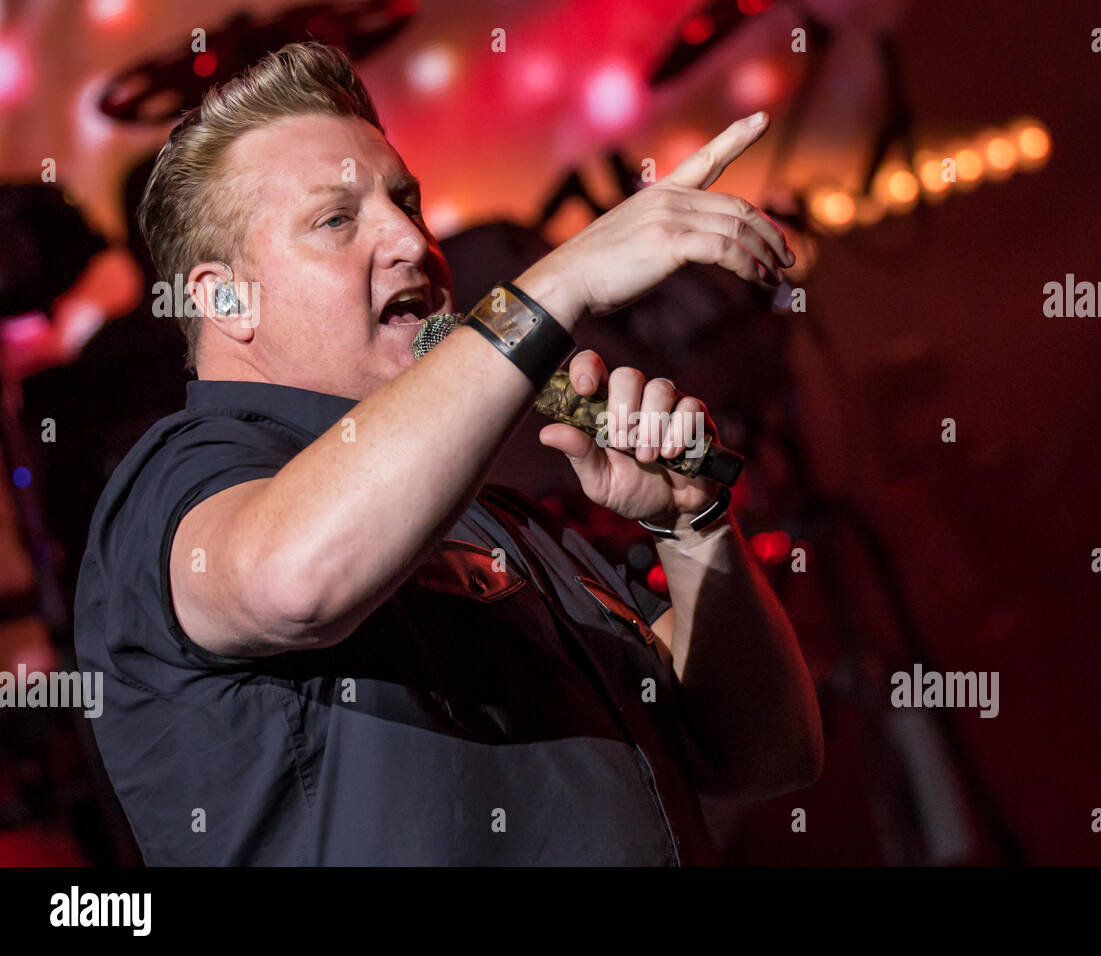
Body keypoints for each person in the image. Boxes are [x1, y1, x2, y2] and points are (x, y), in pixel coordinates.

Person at [73, 41, 821, 865]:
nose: (411, 240)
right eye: (336, 219)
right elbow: (294, 581)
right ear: (226, 298)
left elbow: (764, 755)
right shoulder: (182, 476)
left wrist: (697, 528)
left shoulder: (507, 521)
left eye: (407, 202)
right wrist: (557, 285)